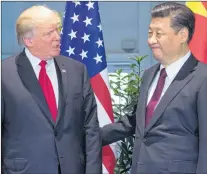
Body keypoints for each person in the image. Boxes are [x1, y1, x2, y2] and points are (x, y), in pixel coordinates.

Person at [102, 2, 207, 174]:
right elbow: (139, 121)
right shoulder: (149, 75)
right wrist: (89, 136)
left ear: (182, 35)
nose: (151, 40)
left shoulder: (203, 78)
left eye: (159, 34)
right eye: (150, 33)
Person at [1, 5, 102, 174]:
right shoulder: (4, 73)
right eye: (49, 33)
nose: (58, 37)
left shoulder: (77, 70)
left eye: (57, 30)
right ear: (29, 40)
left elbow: (90, 128)